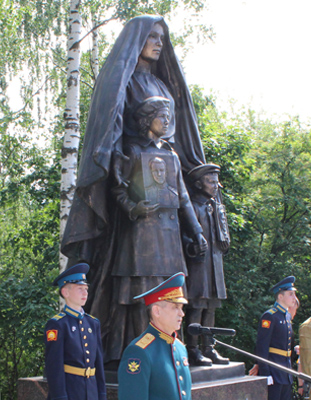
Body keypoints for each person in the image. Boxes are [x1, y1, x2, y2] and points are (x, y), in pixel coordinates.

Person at [61, 15, 208, 365]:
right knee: (132, 274)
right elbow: (108, 127)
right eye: (152, 36)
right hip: (133, 184)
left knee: (169, 277)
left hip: (164, 191)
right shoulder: (122, 80)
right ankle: (124, 347)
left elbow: (175, 136)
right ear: (138, 40)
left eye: (162, 37)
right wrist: (120, 176)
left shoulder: (163, 84)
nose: (158, 43)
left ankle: (173, 348)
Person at [182, 163, 231, 366]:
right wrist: (191, 247)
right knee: (197, 305)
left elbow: (223, 234)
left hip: (215, 263)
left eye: (216, 182)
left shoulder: (216, 207)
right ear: (198, 183)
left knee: (211, 306)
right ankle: (192, 349)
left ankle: (208, 347)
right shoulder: (191, 206)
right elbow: (182, 235)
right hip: (198, 265)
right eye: (210, 181)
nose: (215, 186)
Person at [118, 272, 192, 400]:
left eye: (181, 308)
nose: (182, 314)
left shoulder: (179, 347)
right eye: (175, 307)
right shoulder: (139, 351)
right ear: (157, 311)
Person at [44, 263, 106, 400]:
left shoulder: (93, 323)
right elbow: (54, 366)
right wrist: (60, 397)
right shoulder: (58, 324)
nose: (85, 293)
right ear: (65, 292)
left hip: (92, 392)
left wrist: (102, 394)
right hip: (70, 392)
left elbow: (99, 364)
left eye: (86, 289)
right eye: (80, 289)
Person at [254, 276, 299, 400]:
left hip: (285, 371)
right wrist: (265, 373)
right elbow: (262, 346)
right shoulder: (270, 316)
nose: (294, 298)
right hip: (273, 371)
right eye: (290, 294)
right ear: (280, 296)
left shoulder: (287, 317)